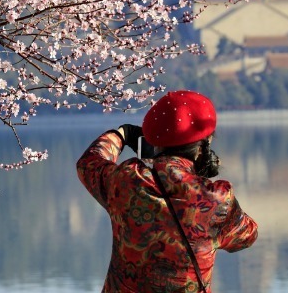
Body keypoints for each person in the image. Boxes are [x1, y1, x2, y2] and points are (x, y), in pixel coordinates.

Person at [76, 90, 258, 292]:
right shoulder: (217, 198)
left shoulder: (125, 182)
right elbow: (247, 236)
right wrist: (203, 180)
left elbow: (89, 163)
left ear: (153, 142)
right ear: (204, 144)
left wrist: (121, 135)